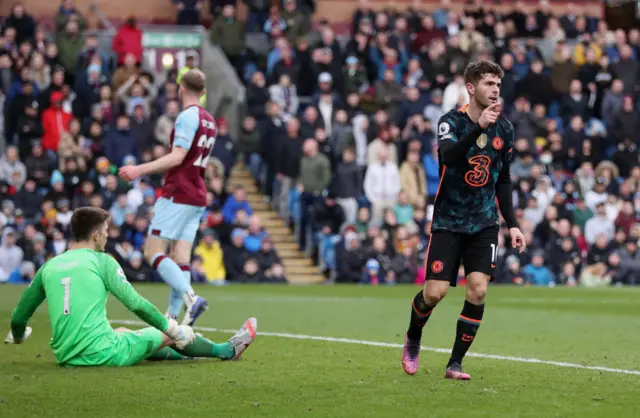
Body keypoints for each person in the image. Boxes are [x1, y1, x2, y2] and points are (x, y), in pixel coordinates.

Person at [4, 207, 257, 367]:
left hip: (66, 355)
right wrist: (172, 328)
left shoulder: (50, 265)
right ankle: (226, 350)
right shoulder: (102, 261)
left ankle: (185, 354)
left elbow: (18, 317)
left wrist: (18, 335)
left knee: (124, 330)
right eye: (104, 231)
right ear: (95, 236)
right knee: (170, 333)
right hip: (102, 354)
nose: (107, 236)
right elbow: (135, 303)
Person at [401, 61, 526, 380]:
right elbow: (449, 158)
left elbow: (504, 178)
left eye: (498, 83)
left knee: (479, 289)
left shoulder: (505, 129)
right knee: (435, 293)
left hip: (484, 224)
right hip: (449, 221)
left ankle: (454, 363)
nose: (495, 89)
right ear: (471, 88)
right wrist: (478, 128)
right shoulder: (450, 122)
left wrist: (512, 223)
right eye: (488, 83)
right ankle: (414, 337)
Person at [119, 70, 217, 326]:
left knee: (153, 251)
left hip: (179, 191)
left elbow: (177, 157)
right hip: (197, 194)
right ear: (204, 92)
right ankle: (174, 317)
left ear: (181, 89)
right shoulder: (210, 120)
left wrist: (138, 170)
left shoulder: (187, 117)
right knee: (181, 258)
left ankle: (190, 298)